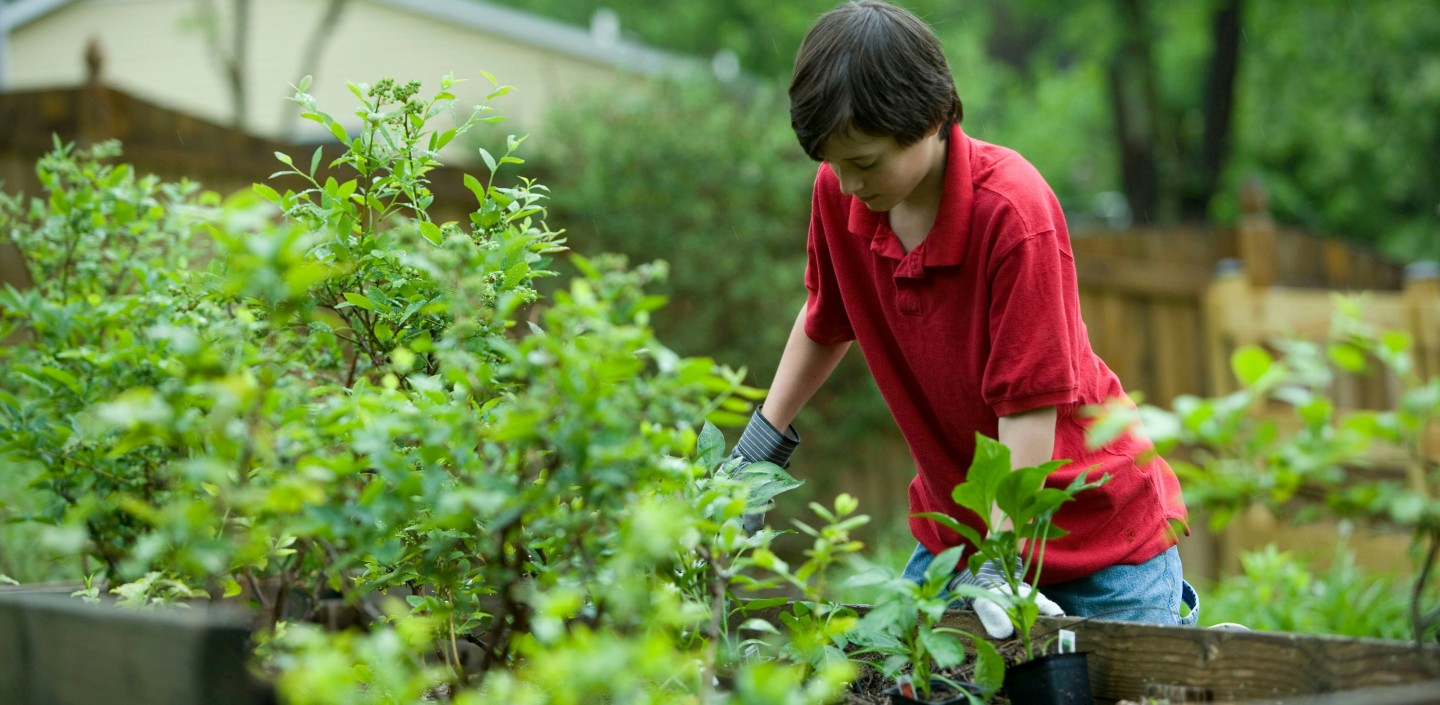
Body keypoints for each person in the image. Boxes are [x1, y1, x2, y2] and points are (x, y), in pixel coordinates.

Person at [726, 0, 1196, 637]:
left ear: (930, 118)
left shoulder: (1012, 212)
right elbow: (824, 320)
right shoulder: (841, 196)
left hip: (1099, 541)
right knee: (898, 672)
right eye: (832, 162)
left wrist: (1004, 564)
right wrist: (754, 458)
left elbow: (1027, 408)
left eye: (864, 162)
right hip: (965, 537)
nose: (846, 181)